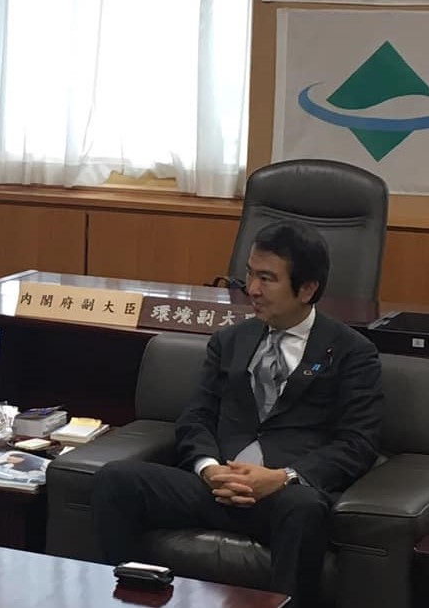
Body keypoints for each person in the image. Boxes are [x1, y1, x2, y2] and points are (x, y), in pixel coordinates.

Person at [91, 219, 383, 608]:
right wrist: (209, 469)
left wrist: (282, 477)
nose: (252, 289)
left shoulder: (352, 352)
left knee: (305, 508)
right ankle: (128, 600)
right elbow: (196, 417)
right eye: (250, 274)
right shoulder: (230, 341)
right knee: (115, 479)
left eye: (267, 278)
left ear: (307, 289)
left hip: (282, 496)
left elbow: (357, 443)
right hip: (214, 486)